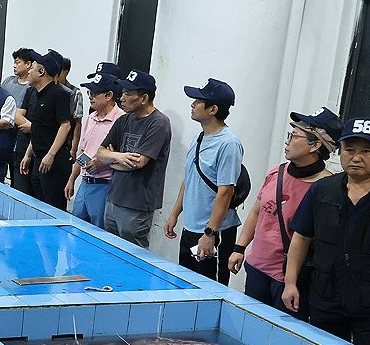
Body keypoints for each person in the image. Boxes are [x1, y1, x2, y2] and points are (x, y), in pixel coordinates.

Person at [283, 117, 370, 345]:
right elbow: (301, 238)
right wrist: (290, 283)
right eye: (349, 150)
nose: (356, 157)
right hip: (325, 298)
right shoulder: (322, 190)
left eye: (367, 151)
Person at [229, 108, 340, 319]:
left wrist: (292, 281)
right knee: (252, 326)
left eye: (294, 136)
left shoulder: (328, 188)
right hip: (257, 268)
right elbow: (256, 212)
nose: (287, 141)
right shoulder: (277, 172)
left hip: (290, 280)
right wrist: (239, 248)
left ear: (315, 145)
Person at [163, 78, 245, 284]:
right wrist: (174, 214)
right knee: (185, 285)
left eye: (198, 101)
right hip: (191, 228)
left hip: (213, 232)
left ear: (213, 109)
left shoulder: (228, 143)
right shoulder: (199, 137)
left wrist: (210, 233)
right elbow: (189, 178)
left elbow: (225, 192)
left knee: (209, 287)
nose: (192, 105)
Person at [93, 69, 171, 249]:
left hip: (137, 203)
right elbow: (100, 153)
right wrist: (119, 157)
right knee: (111, 250)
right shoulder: (123, 120)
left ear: (144, 98)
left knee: (133, 253)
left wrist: (111, 161)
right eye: (123, 92)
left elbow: (139, 162)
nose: (122, 98)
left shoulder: (158, 123)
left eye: (128, 93)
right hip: (114, 197)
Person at [65, 73, 123, 228]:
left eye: (95, 93)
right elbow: (84, 151)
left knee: (98, 230)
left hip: (105, 184)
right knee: (76, 226)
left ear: (109, 95)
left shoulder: (121, 120)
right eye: (90, 93)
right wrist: (72, 179)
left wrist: (102, 163)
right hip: (85, 182)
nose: (91, 97)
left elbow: (121, 156)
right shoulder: (92, 118)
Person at [18, 49, 74, 209]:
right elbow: (39, 128)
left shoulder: (59, 94)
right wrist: (28, 154)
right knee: (38, 206)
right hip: (38, 159)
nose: (29, 71)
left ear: (41, 72)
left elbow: (65, 125)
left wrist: (51, 154)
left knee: (52, 207)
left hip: (53, 162)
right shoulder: (37, 94)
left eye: (32, 68)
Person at [5, 48, 34, 191]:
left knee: (21, 181)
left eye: (18, 62)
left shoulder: (31, 87)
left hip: (23, 136)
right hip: (5, 134)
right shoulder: (8, 81)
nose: (14, 65)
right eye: (14, 62)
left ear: (28, 64)